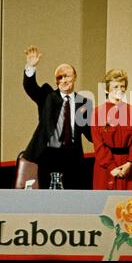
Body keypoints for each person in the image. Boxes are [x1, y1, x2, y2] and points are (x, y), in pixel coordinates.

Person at [21, 45, 92, 189]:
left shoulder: (84, 102)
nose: (64, 80)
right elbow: (30, 87)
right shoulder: (47, 96)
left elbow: (90, 133)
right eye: (60, 77)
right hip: (48, 155)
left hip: (73, 157)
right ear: (56, 81)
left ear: (75, 77)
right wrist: (30, 67)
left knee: (72, 197)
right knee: (48, 197)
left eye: (67, 76)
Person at [91, 69, 132, 190]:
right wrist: (112, 168)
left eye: (122, 86)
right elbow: (98, 144)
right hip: (105, 167)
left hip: (129, 166)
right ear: (106, 89)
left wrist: (130, 163)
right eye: (115, 86)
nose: (120, 89)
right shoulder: (97, 113)